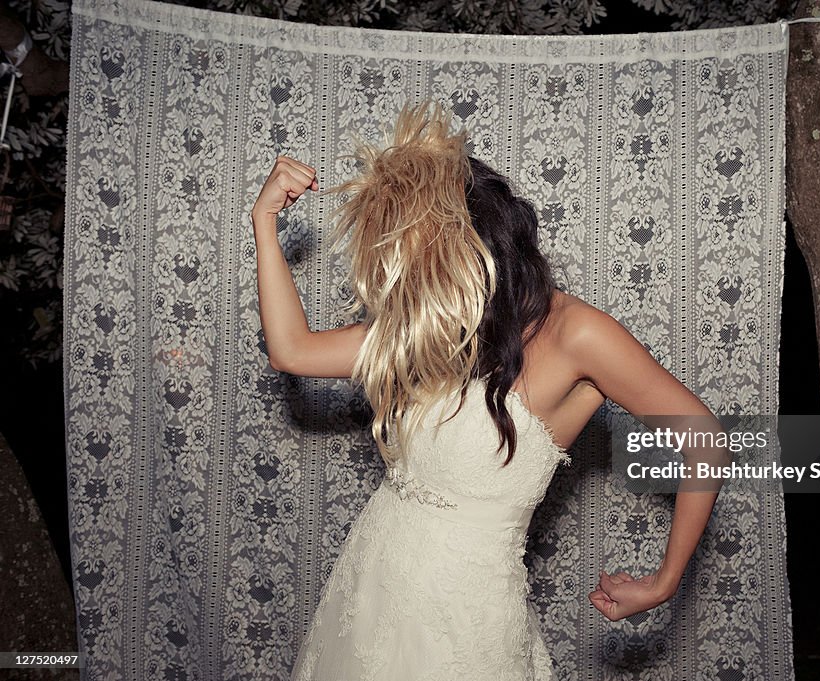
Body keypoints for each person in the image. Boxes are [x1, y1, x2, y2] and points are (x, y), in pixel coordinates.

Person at [250, 101, 726, 680]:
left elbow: (703, 439)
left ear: (475, 248)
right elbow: (292, 350)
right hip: (370, 588)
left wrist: (664, 580)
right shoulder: (434, 327)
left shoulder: (575, 334)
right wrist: (264, 225)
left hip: (468, 622)